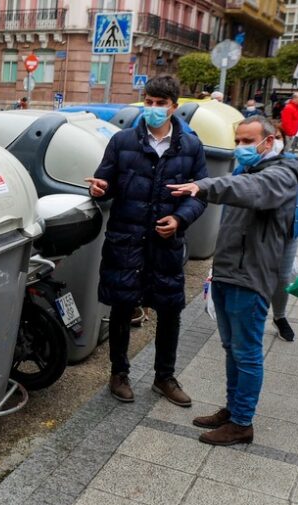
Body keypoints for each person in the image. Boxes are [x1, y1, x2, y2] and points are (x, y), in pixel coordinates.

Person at [168, 116, 298, 445]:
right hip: (228, 273)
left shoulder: (282, 174)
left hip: (250, 278)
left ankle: (242, 423)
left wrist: (205, 185)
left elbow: (251, 192)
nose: (240, 147)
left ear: (269, 141)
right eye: (237, 140)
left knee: (247, 352)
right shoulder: (247, 170)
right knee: (231, 349)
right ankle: (233, 409)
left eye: (247, 141)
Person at [86, 75, 208, 407]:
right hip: (127, 238)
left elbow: (199, 194)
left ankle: (164, 377)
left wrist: (180, 218)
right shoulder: (123, 141)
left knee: (170, 309)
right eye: (149, 102)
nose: (153, 109)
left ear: (174, 107)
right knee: (123, 306)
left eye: (160, 104)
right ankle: (119, 373)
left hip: (165, 243)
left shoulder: (191, 146)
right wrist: (98, 190)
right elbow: (105, 182)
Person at [230, 121, 298, 342]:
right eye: (238, 141)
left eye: (278, 138)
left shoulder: (291, 166)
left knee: (282, 277)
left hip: (287, 233)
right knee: (250, 276)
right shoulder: (243, 168)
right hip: (255, 233)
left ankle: (279, 316)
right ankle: (247, 320)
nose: (241, 146)